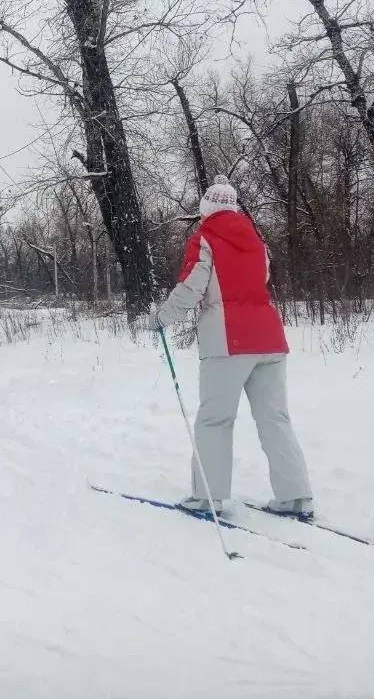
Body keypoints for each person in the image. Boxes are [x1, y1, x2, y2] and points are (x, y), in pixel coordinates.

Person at [154, 176, 315, 518]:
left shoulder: (204, 238)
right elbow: (263, 280)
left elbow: (192, 286)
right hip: (270, 338)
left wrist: (162, 317)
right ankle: (295, 495)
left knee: (215, 419)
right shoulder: (256, 240)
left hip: (227, 341)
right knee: (275, 418)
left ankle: (207, 497)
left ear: (207, 207)